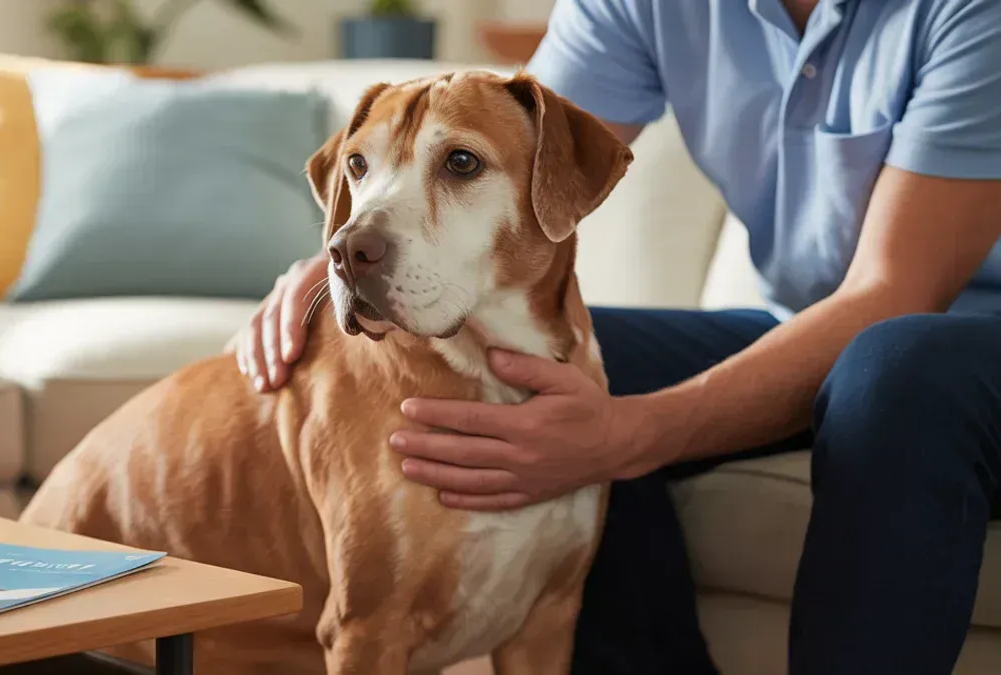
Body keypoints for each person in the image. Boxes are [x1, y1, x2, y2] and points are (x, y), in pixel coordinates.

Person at [235, 1, 1001, 673]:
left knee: (893, 365)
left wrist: (627, 435)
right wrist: (345, 253)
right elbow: (516, 141)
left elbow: (896, 294)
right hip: (814, 323)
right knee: (552, 365)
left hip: (948, 340)